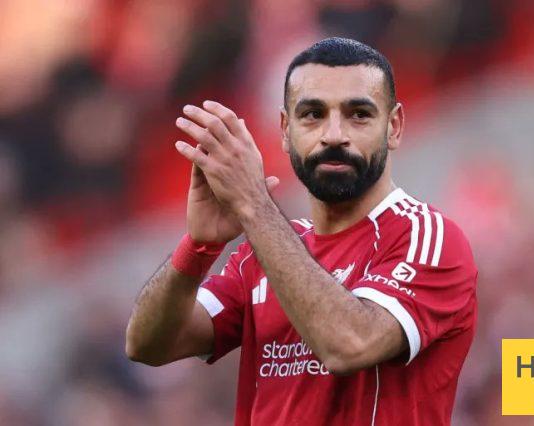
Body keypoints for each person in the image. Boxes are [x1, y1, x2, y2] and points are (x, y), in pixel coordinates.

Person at [126, 37, 478, 426]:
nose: (334, 135)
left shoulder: (427, 237)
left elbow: (349, 345)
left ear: (393, 127)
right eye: (312, 114)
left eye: (359, 114)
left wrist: (254, 205)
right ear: (284, 129)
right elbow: (147, 345)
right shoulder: (262, 252)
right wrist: (199, 246)